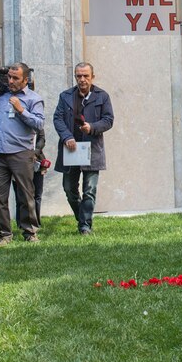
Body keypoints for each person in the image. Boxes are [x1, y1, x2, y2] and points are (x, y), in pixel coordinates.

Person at [0, 62, 44, 245]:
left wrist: (21, 110)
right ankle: (4, 234)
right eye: (9, 77)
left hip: (22, 153)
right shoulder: (1, 98)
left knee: (25, 194)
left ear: (25, 79)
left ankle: (30, 232)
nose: (11, 81)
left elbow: (39, 124)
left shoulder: (34, 99)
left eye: (15, 78)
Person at [53, 62, 114, 235]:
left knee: (89, 190)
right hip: (70, 149)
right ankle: (83, 219)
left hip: (92, 150)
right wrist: (67, 136)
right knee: (69, 188)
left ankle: (85, 226)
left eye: (85, 76)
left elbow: (108, 120)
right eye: (79, 76)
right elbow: (57, 118)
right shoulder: (65, 96)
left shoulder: (102, 96)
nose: (82, 79)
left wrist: (92, 127)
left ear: (92, 76)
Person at [14, 128, 48, 228]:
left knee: (37, 195)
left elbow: (42, 139)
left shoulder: (37, 120)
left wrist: (35, 152)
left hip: (36, 162)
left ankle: (36, 223)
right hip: (18, 161)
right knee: (19, 195)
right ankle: (21, 223)